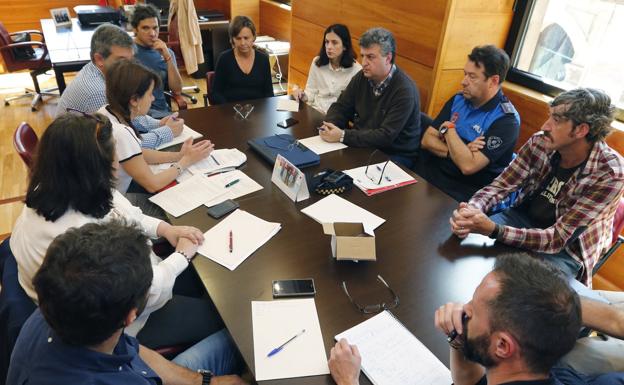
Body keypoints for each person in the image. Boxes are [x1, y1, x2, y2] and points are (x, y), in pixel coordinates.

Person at [9, 113, 222, 348]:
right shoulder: (77, 241)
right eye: (114, 156)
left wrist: (165, 229)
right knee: (221, 313)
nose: (118, 163)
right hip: (124, 324)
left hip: (137, 279)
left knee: (208, 282)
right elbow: (147, 294)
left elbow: (128, 214)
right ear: (95, 166)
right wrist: (181, 256)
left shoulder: (66, 184)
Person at [327, 253, 624, 385]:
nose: (462, 309)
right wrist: (461, 340)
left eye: (473, 309)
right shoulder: (552, 374)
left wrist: (348, 380)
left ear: (503, 347)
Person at [7, 221, 246, 385]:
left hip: (140, 373)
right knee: (242, 334)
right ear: (131, 316)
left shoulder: (54, 311)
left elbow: (130, 348)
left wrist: (202, 380)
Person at [450, 87, 624, 286]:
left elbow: (557, 238)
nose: (545, 126)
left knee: (528, 297)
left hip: (566, 250)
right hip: (522, 218)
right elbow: (501, 186)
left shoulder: (609, 173)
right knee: (465, 258)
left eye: (556, 120)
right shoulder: (540, 142)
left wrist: (494, 230)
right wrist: (473, 210)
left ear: (581, 130)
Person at [98, 59, 212, 213]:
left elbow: (137, 153)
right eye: (150, 94)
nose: (152, 99)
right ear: (133, 100)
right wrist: (186, 161)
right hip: (113, 208)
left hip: (102, 197)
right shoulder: (121, 133)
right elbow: (152, 184)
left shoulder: (105, 111)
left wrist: (179, 155)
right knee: (179, 211)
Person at [417, 45, 520, 202]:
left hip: (465, 193)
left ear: (493, 81)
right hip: (432, 175)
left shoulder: (507, 121)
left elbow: (468, 166)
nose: (463, 82)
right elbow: (427, 140)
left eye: (472, 77)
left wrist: (448, 130)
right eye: (465, 74)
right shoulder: (459, 99)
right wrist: (462, 151)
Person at [55, 23, 183, 149]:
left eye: (131, 60)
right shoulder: (98, 92)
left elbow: (126, 115)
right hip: (81, 156)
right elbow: (124, 145)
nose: (129, 66)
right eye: (122, 60)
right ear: (99, 59)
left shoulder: (103, 71)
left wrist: (158, 124)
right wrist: (167, 132)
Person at [319, 27, 421, 168]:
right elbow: (341, 106)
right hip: (363, 145)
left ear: (388, 58)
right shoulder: (362, 76)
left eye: (370, 57)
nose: (364, 62)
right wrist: (330, 125)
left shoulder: (405, 90)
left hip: (394, 156)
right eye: (363, 56)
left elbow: (385, 136)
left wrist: (343, 135)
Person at [291, 24, 361, 114]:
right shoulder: (317, 62)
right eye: (327, 42)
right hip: (315, 111)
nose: (329, 47)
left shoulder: (356, 70)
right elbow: (310, 93)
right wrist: (301, 95)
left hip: (337, 118)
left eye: (334, 42)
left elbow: (354, 106)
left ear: (345, 46)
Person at [131, 3, 183, 119]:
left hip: (161, 114)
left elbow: (177, 90)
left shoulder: (166, 53)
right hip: (136, 116)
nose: (152, 34)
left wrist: (168, 58)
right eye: (145, 28)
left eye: (155, 28)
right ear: (135, 29)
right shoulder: (127, 53)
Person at [211, 15, 274, 104]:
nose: (243, 43)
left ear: (253, 37)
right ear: (232, 39)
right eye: (238, 38)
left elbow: (269, 93)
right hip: (231, 112)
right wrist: (230, 109)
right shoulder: (224, 59)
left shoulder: (263, 59)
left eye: (246, 38)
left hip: (258, 112)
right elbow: (215, 94)